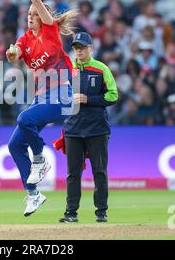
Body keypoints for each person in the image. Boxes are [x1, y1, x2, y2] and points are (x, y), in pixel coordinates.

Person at [5, 0, 77, 217]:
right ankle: (34, 194)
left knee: (24, 118)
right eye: (28, 15)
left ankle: (40, 158)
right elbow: (14, 53)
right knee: (14, 145)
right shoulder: (26, 38)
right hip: (41, 98)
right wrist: (11, 52)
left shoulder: (50, 30)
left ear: (42, 15)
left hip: (62, 96)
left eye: (33, 14)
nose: (29, 17)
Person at [59, 32, 118, 223]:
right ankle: (71, 213)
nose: (78, 51)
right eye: (76, 48)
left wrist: (88, 100)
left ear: (90, 49)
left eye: (82, 48)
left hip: (97, 128)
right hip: (73, 128)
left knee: (99, 171)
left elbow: (113, 95)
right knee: (72, 174)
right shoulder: (67, 70)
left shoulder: (101, 69)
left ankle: (101, 212)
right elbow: (58, 95)